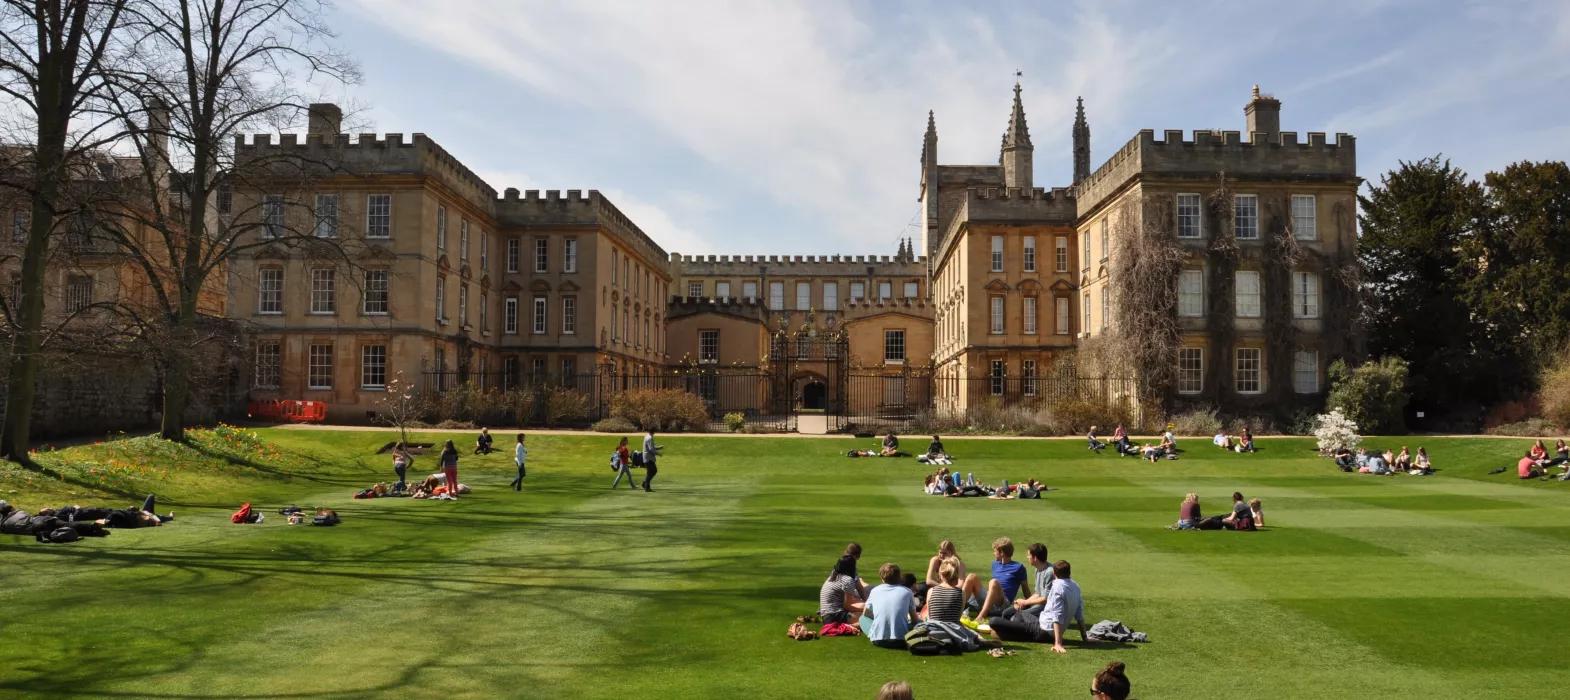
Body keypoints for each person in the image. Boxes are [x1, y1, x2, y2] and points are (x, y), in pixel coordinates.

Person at [963, 537, 1028, 627]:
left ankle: (981, 616)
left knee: (993, 582)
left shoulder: (1019, 567)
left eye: (995, 551)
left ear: (1001, 553)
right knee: (971, 577)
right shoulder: (995, 564)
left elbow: (1026, 590)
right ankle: (957, 611)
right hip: (990, 596)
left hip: (1002, 603)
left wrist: (1029, 603)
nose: (993, 553)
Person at [862, 563, 920, 649]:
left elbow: (865, 613)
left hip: (878, 639)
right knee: (916, 622)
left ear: (882, 577)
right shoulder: (907, 591)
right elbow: (915, 619)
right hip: (901, 639)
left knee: (862, 618)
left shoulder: (875, 591)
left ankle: (877, 630)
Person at [819, 554, 866, 624]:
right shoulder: (847, 580)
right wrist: (865, 608)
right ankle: (851, 627)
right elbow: (848, 606)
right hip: (835, 617)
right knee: (868, 617)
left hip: (826, 617)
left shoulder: (833, 577)